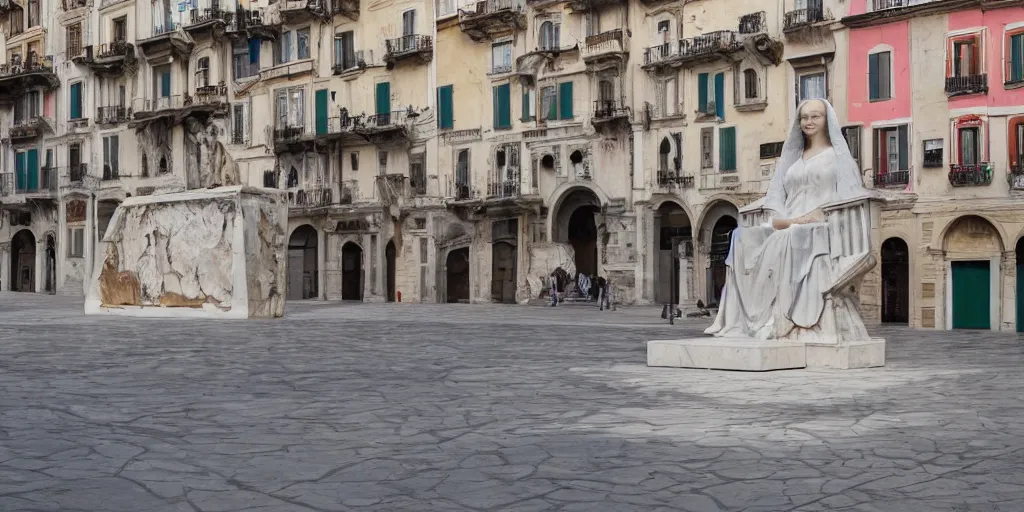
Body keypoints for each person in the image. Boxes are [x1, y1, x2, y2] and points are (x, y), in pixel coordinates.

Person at [705, 99, 867, 342]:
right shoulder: (791, 159)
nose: (809, 122)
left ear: (826, 120)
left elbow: (848, 195)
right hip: (788, 220)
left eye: (815, 116)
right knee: (740, 237)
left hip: (821, 223)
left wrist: (812, 217)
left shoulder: (838, 158)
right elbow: (777, 195)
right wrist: (780, 217)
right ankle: (742, 320)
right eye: (804, 117)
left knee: (789, 237)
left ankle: (781, 319)